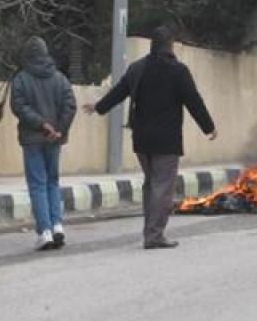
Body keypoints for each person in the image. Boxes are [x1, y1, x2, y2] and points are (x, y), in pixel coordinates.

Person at [83, 26, 217, 249]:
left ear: (152, 45)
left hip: (142, 139)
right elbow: (194, 101)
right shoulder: (178, 71)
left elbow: (119, 91)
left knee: (152, 184)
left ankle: (151, 231)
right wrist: (209, 127)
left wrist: (99, 107)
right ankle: (154, 235)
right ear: (170, 45)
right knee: (162, 187)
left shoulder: (137, 68)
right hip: (166, 141)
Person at [11, 36, 77, 251]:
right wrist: (59, 129)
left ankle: (44, 231)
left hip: (32, 139)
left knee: (37, 184)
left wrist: (41, 125)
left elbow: (18, 106)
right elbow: (70, 105)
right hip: (54, 139)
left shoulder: (21, 79)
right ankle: (57, 225)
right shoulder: (60, 78)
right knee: (52, 182)